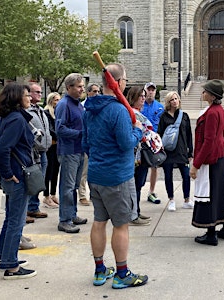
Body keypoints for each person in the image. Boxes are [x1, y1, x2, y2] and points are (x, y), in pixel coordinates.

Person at [82, 63, 149, 289]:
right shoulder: (118, 110)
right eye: (126, 80)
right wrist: (138, 130)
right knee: (121, 225)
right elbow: (126, 143)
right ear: (119, 83)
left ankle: (100, 270)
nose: (126, 83)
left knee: (99, 221)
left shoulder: (89, 109)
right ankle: (122, 273)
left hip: (96, 174)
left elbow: (86, 144)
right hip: (117, 177)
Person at [0, 83, 37, 279]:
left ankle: (5, 256)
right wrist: (6, 172)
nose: (30, 99)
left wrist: (0, 171)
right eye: (26, 95)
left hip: (12, 175)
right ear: (17, 98)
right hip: (17, 176)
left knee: (11, 218)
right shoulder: (17, 119)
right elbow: (1, 149)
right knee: (16, 220)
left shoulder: (5, 118)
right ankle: (11, 265)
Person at [189, 79, 224, 246]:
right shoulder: (218, 109)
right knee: (220, 192)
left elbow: (208, 141)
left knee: (209, 194)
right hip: (220, 155)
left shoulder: (212, 113)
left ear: (212, 96)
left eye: (205, 91)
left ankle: (211, 232)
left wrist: (196, 164)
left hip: (212, 158)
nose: (202, 93)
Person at [55, 73, 88, 233]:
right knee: (67, 187)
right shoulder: (64, 104)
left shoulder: (78, 104)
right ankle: (65, 220)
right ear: (69, 88)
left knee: (74, 186)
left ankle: (72, 214)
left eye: (83, 86)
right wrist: (80, 134)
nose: (83, 89)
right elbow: (59, 129)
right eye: (79, 86)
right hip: (69, 152)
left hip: (79, 150)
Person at [158, 91, 194, 212]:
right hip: (168, 152)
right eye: (172, 99)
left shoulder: (184, 116)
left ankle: (187, 199)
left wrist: (190, 152)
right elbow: (160, 134)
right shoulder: (164, 117)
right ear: (168, 102)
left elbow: (189, 135)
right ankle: (171, 200)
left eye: (176, 98)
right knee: (168, 176)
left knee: (186, 175)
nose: (175, 101)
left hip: (182, 151)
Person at [26, 82, 52, 220]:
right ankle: (25, 210)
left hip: (43, 151)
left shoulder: (40, 110)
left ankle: (33, 207)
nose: (40, 95)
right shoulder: (26, 111)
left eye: (41, 92)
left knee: (39, 181)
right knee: (31, 181)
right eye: (37, 92)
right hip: (32, 153)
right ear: (29, 94)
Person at [127, 86, 152, 226]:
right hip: (135, 154)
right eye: (140, 96)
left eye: (144, 96)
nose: (143, 98)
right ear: (133, 97)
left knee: (139, 184)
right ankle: (133, 214)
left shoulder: (139, 114)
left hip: (142, 153)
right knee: (134, 185)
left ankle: (136, 210)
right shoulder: (132, 114)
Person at [77, 83, 101, 206]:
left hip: (96, 143)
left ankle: (94, 194)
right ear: (88, 92)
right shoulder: (82, 107)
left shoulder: (100, 107)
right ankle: (82, 195)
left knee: (94, 171)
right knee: (84, 172)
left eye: (98, 91)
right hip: (85, 142)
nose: (97, 94)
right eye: (94, 91)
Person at [141, 82, 164, 204]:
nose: (150, 92)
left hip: (154, 141)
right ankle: (137, 189)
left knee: (155, 166)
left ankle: (151, 191)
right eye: (148, 90)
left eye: (152, 90)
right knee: (139, 166)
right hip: (141, 140)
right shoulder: (140, 105)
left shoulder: (160, 107)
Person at [43, 92, 61, 209]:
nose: (58, 102)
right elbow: (49, 129)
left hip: (58, 146)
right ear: (51, 101)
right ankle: (46, 196)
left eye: (59, 100)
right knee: (48, 171)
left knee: (55, 171)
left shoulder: (58, 112)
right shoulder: (46, 113)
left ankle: (53, 194)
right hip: (50, 145)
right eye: (56, 100)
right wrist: (60, 136)